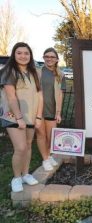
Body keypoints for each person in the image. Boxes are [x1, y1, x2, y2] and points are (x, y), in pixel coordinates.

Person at [0, 42, 43, 192]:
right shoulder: (9, 71)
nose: (23, 56)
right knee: (20, 148)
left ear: (30, 55)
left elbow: (40, 95)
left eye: (26, 53)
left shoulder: (34, 72)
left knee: (29, 146)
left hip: (31, 116)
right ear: (14, 54)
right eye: (19, 53)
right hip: (14, 117)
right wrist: (19, 118)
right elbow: (11, 97)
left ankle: (26, 174)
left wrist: (38, 116)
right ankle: (16, 178)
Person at [36, 47, 66, 171]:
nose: (49, 59)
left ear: (57, 59)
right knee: (41, 135)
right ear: (43, 58)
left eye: (52, 57)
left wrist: (58, 112)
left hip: (52, 110)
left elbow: (60, 94)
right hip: (38, 110)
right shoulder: (37, 72)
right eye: (46, 56)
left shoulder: (60, 74)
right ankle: (45, 159)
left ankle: (48, 156)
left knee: (51, 136)